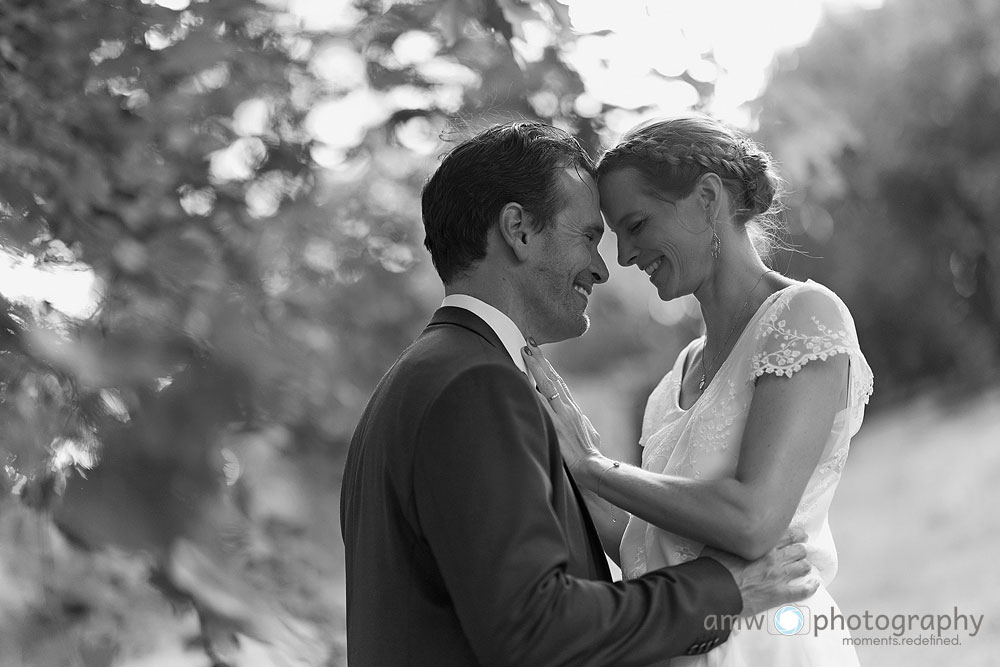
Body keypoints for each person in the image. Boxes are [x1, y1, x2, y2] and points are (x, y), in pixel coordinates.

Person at [340, 121, 819, 666]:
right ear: (518, 230)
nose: (602, 267)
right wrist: (725, 590)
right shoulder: (477, 386)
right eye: (589, 236)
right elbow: (534, 629)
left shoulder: (417, 381)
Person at [524, 115, 874, 666]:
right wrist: (562, 455)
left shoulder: (804, 318)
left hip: (770, 646)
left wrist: (596, 467)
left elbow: (753, 521)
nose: (622, 257)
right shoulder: (679, 374)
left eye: (635, 225)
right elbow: (647, 546)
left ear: (708, 199)